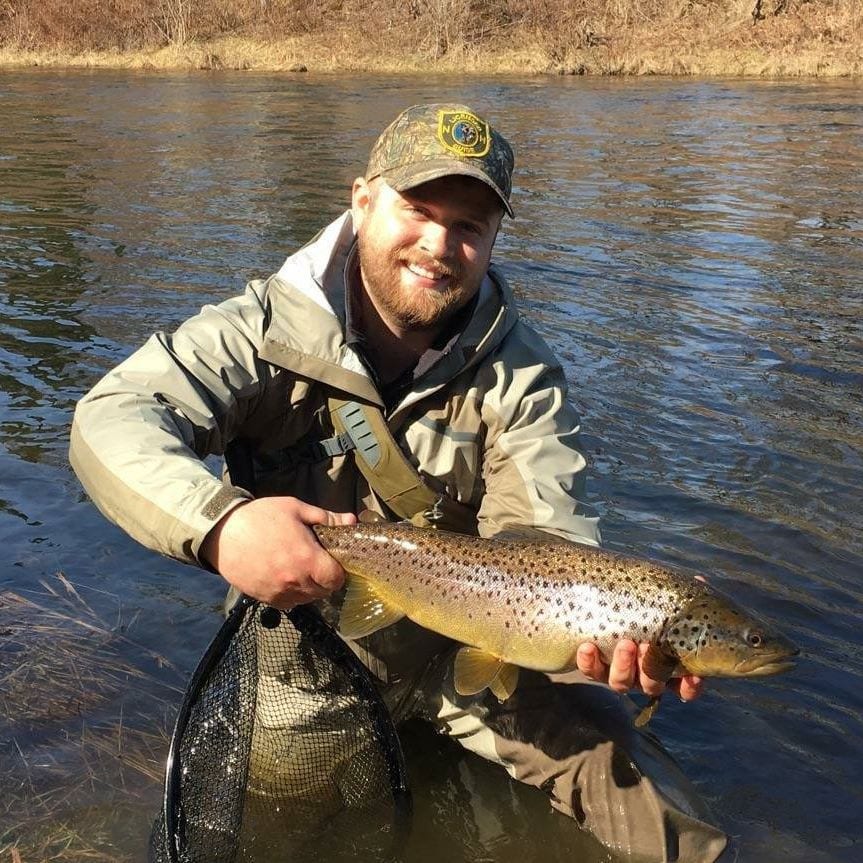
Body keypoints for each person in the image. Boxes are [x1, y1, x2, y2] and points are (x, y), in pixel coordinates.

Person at [70, 103, 728, 862]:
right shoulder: (257, 333)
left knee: (659, 811)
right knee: (272, 831)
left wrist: (605, 631)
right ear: (361, 200)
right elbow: (110, 419)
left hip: (486, 649)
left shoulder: (524, 375)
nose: (439, 244)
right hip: (309, 651)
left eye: (470, 226)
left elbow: (549, 541)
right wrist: (223, 524)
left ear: (492, 240)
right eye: (417, 210)